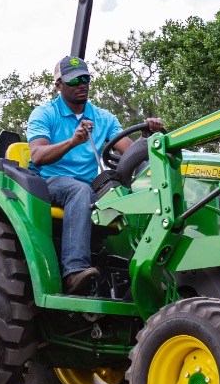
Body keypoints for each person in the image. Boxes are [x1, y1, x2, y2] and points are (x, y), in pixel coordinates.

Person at [25, 53, 165, 295]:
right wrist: (72, 142)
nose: (81, 85)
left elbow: (130, 153)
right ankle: (74, 272)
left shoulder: (103, 117)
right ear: (58, 85)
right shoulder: (44, 114)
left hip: (89, 186)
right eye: (73, 81)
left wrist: (147, 138)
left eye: (85, 79)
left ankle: (141, 272)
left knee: (133, 192)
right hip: (49, 181)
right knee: (79, 190)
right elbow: (38, 156)